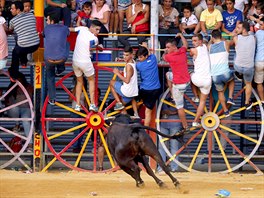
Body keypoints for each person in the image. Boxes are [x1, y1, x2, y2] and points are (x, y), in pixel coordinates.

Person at [69, 20, 102, 112]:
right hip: (85, 62)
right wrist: (100, 47)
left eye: (99, 30)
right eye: (97, 29)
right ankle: (92, 104)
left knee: (79, 82)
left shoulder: (82, 29)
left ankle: (78, 105)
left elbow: (70, 29)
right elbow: (93, 47)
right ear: (91, 27)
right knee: (91, 80)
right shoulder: (94, 39)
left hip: (75, 61)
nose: (98, 32)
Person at [163, 33, 190, 133]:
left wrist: (165, 52)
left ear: (174, 47)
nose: (167, 49)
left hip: (179, 85)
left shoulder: (169, 56)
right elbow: (185, 45)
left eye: (168, 47)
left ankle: (185, 126)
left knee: (180, 107)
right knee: (169, 74)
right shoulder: (182, 51)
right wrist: (181, 36)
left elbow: (163, 57)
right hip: (187, 82)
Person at [8, 1, 40, 81]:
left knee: (15, 51)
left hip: (24, 46)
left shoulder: (13, 21)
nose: (11, 10)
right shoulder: (31, 15)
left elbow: (10, 31)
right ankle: (24, 62)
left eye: (12, 9)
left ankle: (14, 75)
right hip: (36, 45)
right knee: (23, 41)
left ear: (18, 10)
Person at [44, 13, 70, 105]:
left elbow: (44, 35)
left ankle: (52, 99)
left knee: (50, 77)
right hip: (62, 59)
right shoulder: (65, 28)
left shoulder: (46, 28)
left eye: (47, 20)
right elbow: (68, 34)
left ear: (51, 21)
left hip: (48, 59)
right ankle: (60, 69)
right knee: (66, 44)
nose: (46, 22)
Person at [208, 30, 235, 117]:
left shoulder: (209, 47)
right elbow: (234, 41)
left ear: (212, 38)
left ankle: (226, 110)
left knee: (220, 92)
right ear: (220, 36)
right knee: (232, 79)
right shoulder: (225, 43)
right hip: (225, 74)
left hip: (215, 76)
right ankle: (230, 97)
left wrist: (211, 40)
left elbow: (209, 43)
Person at [5, 72, 34, 152]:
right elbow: (6, 100)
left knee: (26, 120)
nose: (18, 81)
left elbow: (34, 100)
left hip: (26, 109)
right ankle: (17, 125)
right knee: (14, 107)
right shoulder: (11, 87)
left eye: (19, 79)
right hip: (14, 110)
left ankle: (30, 144)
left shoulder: (29, 87)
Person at [136, 42, 161, 127]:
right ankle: (145, 130)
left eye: (141, 57)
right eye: (138, 57)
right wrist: (145, 47)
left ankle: (135, 113)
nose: (139, 59)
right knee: (148, 111)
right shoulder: (153, 59)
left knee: (133, 98)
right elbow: (149, 53)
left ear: (145, 56)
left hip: (145, 90)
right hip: (156, 89)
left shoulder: (139, 65)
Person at [190, 34, 212, 127]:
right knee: (202, 103)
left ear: (200, 41)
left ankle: (195, 96)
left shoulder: (193, 50)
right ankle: (195, 121)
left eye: (195, 41)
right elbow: (208, 43)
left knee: (190, 74)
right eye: (192, 41)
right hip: (207, 81)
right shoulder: (206, 47)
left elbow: (191, 54)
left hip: (197, 79)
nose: (193, 43)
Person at [156, 92, 181, 174]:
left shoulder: (179, 94)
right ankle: (162, 167)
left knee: (174, 146)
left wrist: (172, 112)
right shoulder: (161, 95)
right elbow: (158, 109)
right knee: (162, 146)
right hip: (164, 122)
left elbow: (183, 110)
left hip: (174, 123)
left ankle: (174, 167)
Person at [233, 21, 256, 110]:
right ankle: (247, 103)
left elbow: (234, 33)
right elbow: (251, 33)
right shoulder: (253, 38)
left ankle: (239, 74)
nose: (237, 29)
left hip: (238, 67)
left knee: (236, 54)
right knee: (248, 84)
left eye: (239, 28)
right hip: (249, 67)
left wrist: (236, 31)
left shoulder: (236, 38)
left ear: (243, 29)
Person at [109, 46, 138, 114]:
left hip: (127, 92)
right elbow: (130, 74)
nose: (124, 57)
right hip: (133, 92)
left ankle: (119, 103)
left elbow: (127, 81)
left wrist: (117, 73)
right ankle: (136, 114)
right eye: (124, 55)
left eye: (127, 55)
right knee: (125, 104)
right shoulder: (133, 62)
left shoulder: (128, 66)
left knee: (111, 82)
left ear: (131, 55)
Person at [70, 76, 87, 153]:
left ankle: (78, 146)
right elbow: (70, 99)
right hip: (75, 110)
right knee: (77, 129)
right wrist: (75, 90)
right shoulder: (74, 89)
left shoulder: (85, 91)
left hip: (83, 111)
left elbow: (86, 102)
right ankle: (75, 146)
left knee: (82, 130)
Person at [254, 17, 264, 103]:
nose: (260, 26)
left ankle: (263, 100)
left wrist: (258, 20)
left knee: (259, 83)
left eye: (261, 24)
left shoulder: (258, 33)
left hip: (259, 61)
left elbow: (255, 27)